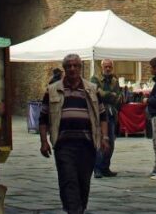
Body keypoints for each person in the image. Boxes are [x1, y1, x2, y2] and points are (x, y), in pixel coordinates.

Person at [39, 54, 108, 214]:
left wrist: (104, 137)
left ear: (80, 68)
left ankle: (79, 209)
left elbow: (102, 115)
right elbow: (42, 118)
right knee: (68, 180)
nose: (72, 69)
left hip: (87, 144)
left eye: (75, 66)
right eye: (69, 66)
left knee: (83, 182)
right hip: (64, 144)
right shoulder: (52, 90)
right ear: (64, 68)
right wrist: (44, 141)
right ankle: (73, 210)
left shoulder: (91, 89)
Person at [89, 58, 122, 178]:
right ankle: (97, 169)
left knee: (111, 142)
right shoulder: (95, 79)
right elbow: (97, 94)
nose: (108, 69)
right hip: (99, 114)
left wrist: (108, 95)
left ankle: (105, 167)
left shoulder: (115, 80)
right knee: (100, 141)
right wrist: (110, 95)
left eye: (110, 67)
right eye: (106, 67)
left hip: (112, 114)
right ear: (102, 67)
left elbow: (118, 97)